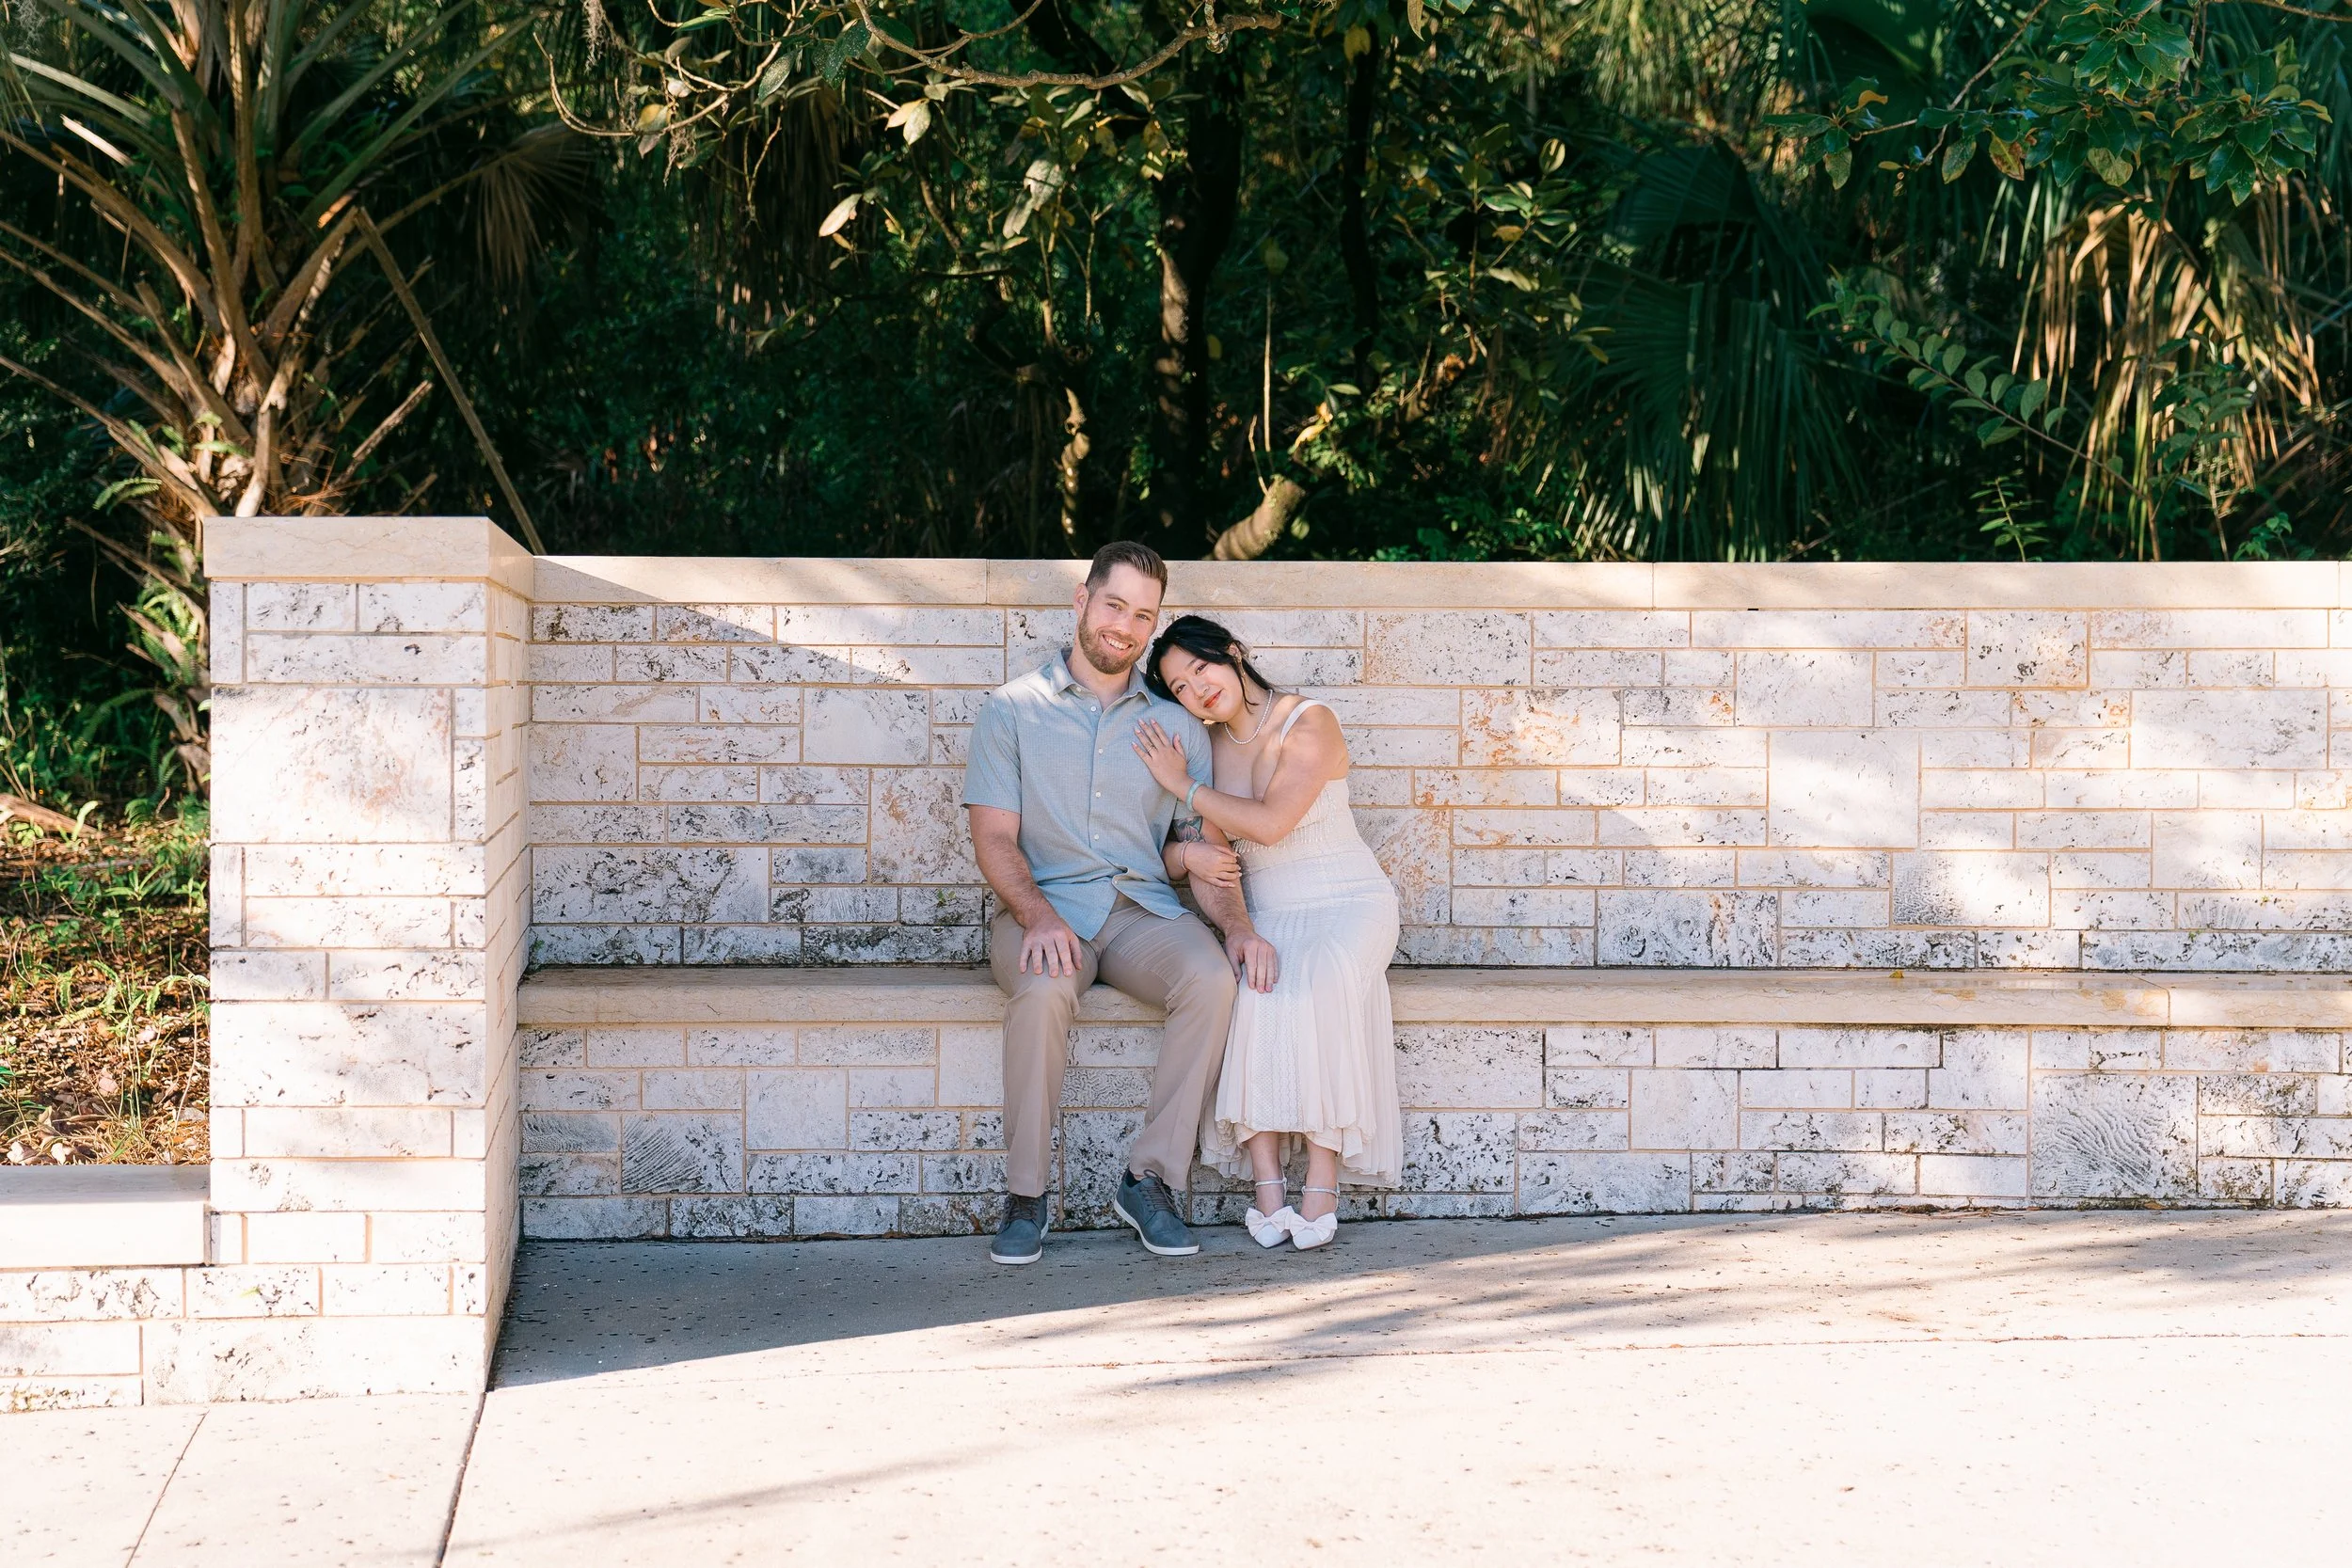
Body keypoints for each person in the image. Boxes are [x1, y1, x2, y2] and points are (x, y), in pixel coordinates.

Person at [961, 543, 1279, 1266]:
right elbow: (994, 837)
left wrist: (1237, 927)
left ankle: (1150, 1179)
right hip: (1042, 908)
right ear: (1082, 600)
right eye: (1115, 605)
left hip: (1140, 911)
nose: (1126, 627)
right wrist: (1038, 915)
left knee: (1212, 978)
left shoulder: (1177, 726)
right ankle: (1026, 1195)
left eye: (1143, 615)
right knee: (1044, 988)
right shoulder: (1012, 710)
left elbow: (1200, 845)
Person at [1132, 615, 1404, 1251]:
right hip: (1271, 909)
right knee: (1256, 989)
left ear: (1232, 653)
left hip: (1349, 900)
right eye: (1179, 687)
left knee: (1323, 978)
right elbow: (1202, 860)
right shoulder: (1203, 750)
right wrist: (1238, 927)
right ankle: (1268, 1186)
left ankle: (1322, 1182)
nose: (1197, 690)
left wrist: (1184, 787)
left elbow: (1273, 823)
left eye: (1200, 668)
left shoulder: (1309, 720)